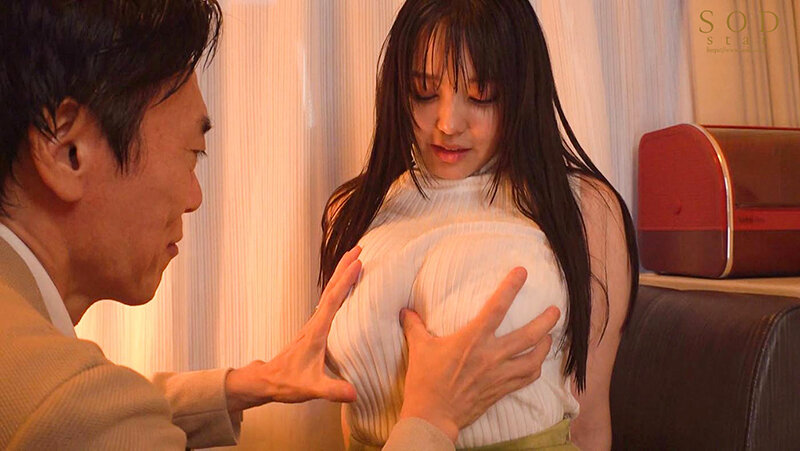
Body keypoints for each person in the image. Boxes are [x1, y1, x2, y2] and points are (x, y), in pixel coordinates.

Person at [0, 1, 561, 449]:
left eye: (480, 94)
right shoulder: (66, 402)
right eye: (191, 154)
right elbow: (85, 415)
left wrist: (250, 383)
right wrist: (432, 418)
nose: (195, 198)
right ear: (69, 151)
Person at [320, 1, 639, 450]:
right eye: (423, 92)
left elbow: (588, 418)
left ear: (521, 91)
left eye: (482, 93)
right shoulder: (355, 210)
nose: (448, 124)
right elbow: (354, 411)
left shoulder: (584, 208)